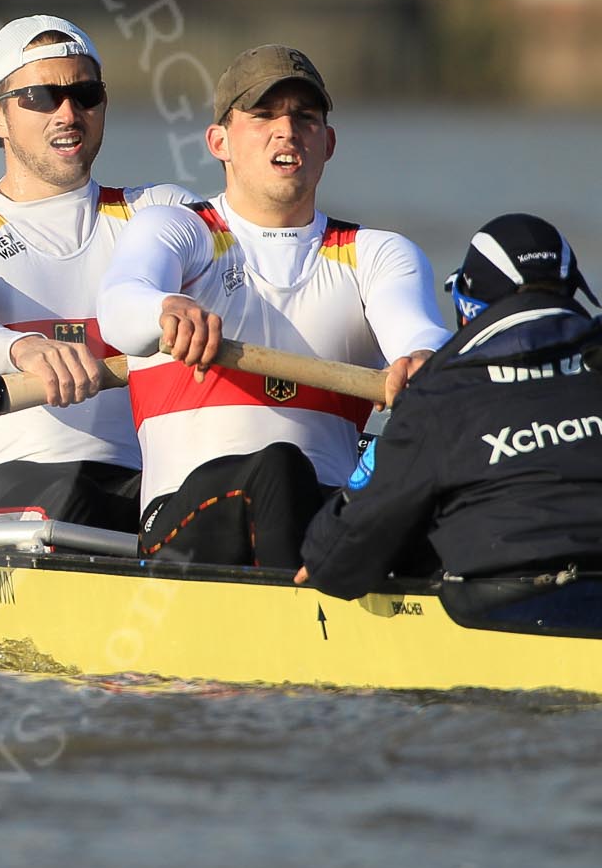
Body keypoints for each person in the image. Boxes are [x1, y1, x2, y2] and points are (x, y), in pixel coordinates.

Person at [98, 44, 449, 565]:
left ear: (327, 143)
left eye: (305, 118)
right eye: (263, 115)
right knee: (279, 469)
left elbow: (419, 334)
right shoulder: (179, 230)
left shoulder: (376, 253)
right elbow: (121, 306)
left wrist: (424, 363)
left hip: (328, 516)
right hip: (185, 520)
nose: (287, 131)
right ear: (219, 142)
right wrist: (165, 310)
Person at [0, 16, 195, 531]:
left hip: (141, 489)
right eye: (41, 97)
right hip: (3, 488)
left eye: (85, 94)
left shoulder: (160, 211)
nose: (68, 113)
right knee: (77, 499)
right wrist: (23, 349)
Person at [299, 214, 602, 596]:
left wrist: (376, 461)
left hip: (511, 612)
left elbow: (337, 563)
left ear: (468, 306)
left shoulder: (440, 397)